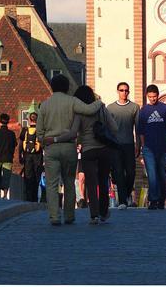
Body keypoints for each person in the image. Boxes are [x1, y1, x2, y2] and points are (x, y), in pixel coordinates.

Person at [36, 74, 104, 226]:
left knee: (52, 184)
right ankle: (69, 215)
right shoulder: (72, 101)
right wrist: (99, 102)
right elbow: (88, 110)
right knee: (68, 182)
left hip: (51, 148)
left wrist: (44, 141)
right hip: (69, 147)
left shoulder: (45, 105)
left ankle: (54, 216)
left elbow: (39, 131)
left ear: (52, 87)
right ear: (67, 87)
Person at [73, 85, 119, 224]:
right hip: (104, 149)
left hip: (88, 151)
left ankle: (93, 215)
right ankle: (104, 212)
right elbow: (115, 128)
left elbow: (74, 131)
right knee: (103, 182)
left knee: (91, 184)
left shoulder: (79, 112)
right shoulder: (101, 109)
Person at [136, 84, 166, 209]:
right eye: (150, 97)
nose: (152, 99)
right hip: (149, 149)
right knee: (152, 174)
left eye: (154, 96)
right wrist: (142, 146)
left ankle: (161, 198)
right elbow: (140, 131)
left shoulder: (165, 109)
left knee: (162, 174)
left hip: (163, 148)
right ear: (147, 96)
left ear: (158, 95)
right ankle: (153, 200)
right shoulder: (144, 110)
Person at [107, 81, 140, 209]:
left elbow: (138, 127)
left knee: (131, 172)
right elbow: (107, 128)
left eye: (126, 90)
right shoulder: (110, 108)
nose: (124, 92)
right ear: (117, 91)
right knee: (119, 172)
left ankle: (125, 194)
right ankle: (122, 201)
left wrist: (138, 144)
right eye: (121, 90)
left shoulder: (135, 107)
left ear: (129, 92)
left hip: (129, 144)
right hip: (115, 145)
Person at [18, 111, 44, 202]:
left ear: (29, 120)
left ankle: (28, 198)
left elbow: (20, 144)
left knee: (28, 177)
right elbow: (43, 144)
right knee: (37, 177)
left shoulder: (25, 130)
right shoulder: (40, 131)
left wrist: (20, 156)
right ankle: (35, 198)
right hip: (38, 157)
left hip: (27, 156)